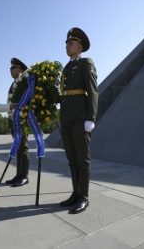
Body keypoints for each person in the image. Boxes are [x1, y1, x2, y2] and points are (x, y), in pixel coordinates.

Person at [59, 27, 98, 214]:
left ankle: (84, 197)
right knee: (71, 159)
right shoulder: (66, 68)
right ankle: (75, 193)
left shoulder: (85, 63)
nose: (67, 46)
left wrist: (91, 118)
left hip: (80, 117)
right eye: (66, 43)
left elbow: (93, 91)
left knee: (82, 159)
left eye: (71, 43)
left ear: (80, 47)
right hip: (66, 117)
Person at [5, 57, 30, 187]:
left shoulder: (24, 82)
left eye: (12, 68)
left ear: (20, 69)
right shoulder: (14, 83)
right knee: (18, 148)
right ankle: (18, 174)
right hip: (13, 119)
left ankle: (24, 175)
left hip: (21, 119)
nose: (10, 70)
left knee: (22, 147)